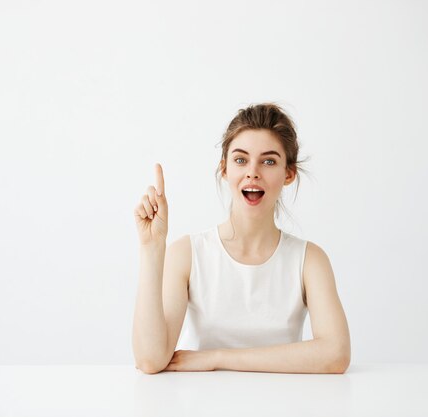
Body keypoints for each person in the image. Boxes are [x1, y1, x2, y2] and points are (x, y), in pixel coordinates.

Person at [132, 103, 350, 374]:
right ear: (224, 169)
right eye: (240, 159)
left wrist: (217, 358)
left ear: (289, 173)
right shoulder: (187, 254)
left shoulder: (309, 260)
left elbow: (336, 354)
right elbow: (150, 360)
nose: (253, 172)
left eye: (269, 161)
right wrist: (151, 249)